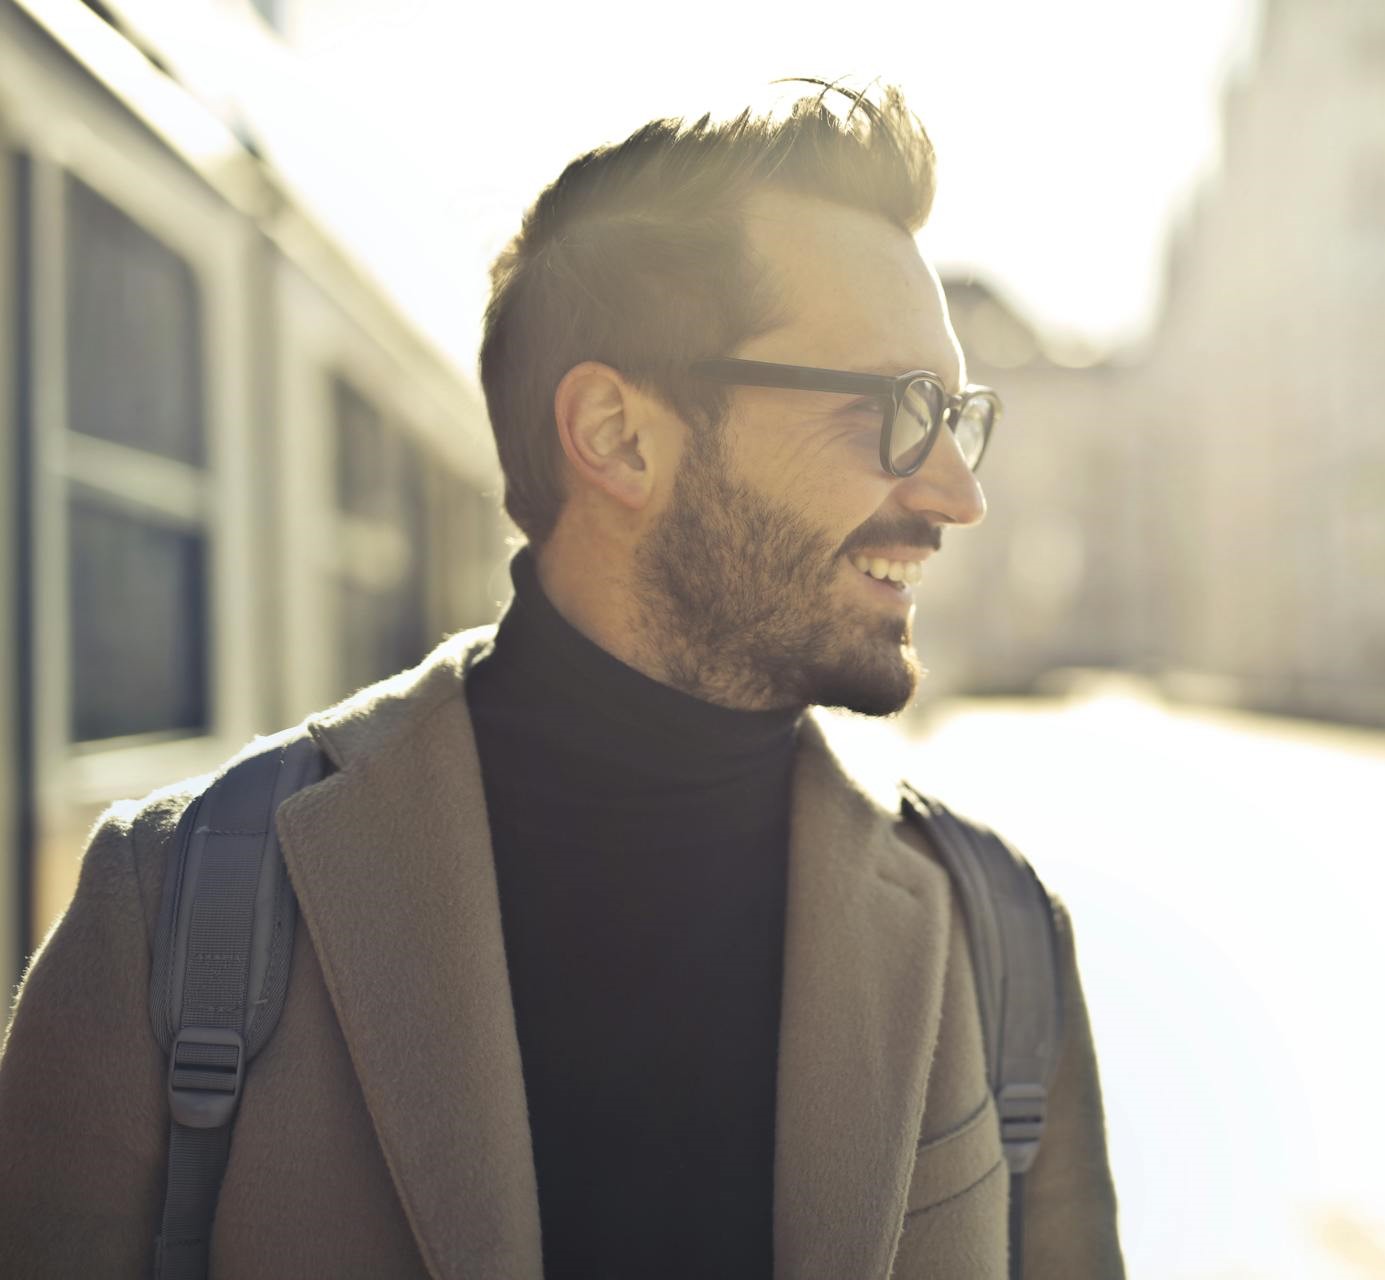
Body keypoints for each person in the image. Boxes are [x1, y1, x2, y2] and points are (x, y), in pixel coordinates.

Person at [0, 81, 1123, 1277]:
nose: (958, 494)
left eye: (956, 415)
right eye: (896, 411)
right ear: (617, 434)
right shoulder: (178, 913)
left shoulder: (996, 933)